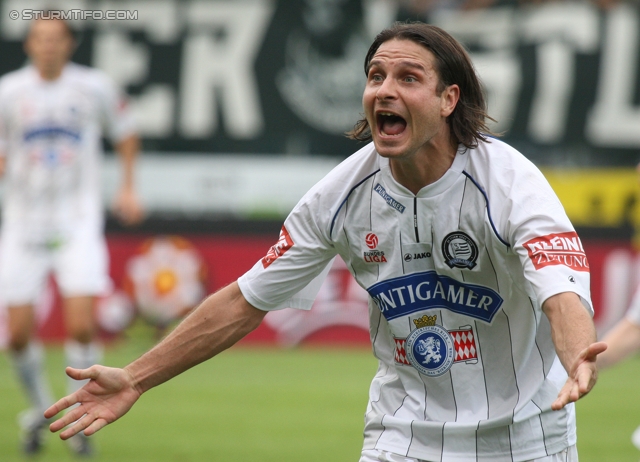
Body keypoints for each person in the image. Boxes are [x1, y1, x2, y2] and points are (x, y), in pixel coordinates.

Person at [45, 22, 605, 462]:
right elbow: (244, 300)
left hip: (528, 437)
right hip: (402, 436)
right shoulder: (341, 195)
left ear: (448, 98)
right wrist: (136, 378)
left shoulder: (509, 181)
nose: (385, 89)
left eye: (408, 78)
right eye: (376, 76)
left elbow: (559, 289)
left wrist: (578, 354)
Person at [0, 17, 143, 456]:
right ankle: (43, 409)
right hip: (23, 224)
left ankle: (78, 418)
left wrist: (127, 186)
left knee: (81, 323)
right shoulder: (8, 91)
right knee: (19, 335)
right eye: (40, 38)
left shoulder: (93, 87)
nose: (47, 46)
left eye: (55, 39)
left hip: (76, 221)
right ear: (29, 43)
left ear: (69, 44)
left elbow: (126, 131)